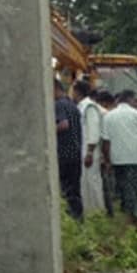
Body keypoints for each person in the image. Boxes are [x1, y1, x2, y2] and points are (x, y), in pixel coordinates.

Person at [100, 90, 137, 222]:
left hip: (117, 158)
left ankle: (128, 209)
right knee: (134, 184)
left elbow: (106, 142)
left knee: (123, 184)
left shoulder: (108, 116)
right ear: (130, 100)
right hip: (136, 156)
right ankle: (134, 211)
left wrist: (107, 160)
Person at [72, 80, 105, 216]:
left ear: (78, 91)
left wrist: (90, 152)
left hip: (89, 151)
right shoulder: (81, 106)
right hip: (84, 150)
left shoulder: (89, 107)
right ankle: (89, 212)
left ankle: (97, 212)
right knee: (85, 182)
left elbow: (94, 130)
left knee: (92, 182)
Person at [53, 79, 83, 219]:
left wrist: (48, 131)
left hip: (64, 152)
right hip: (76, 151)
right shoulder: (72, 105)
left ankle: (72, 218)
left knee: (66, 189)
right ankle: (78, 218)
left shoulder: (59, 105)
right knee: (74, 188)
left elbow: (64, 124)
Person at [95, 90, 117, 216]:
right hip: (110, 152)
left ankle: (109, 211)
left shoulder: (103, 114)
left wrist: (105, 158)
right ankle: (110, 210)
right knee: (107, 182)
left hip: (104, 153)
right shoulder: (108, 114)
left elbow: (105, 138)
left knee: (105, 183)